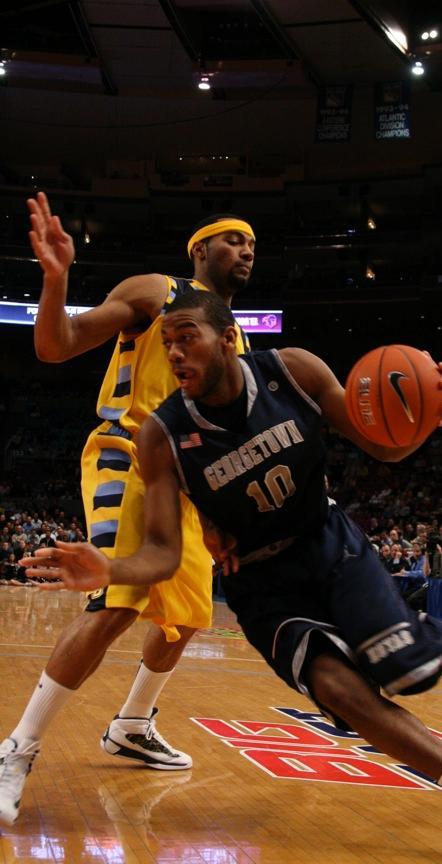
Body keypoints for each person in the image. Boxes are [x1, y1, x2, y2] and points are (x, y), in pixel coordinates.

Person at [23, 291, 442, 864]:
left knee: (411, 672)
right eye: (167, 343)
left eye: (188, 337)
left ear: (228, 338)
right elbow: (161, 552)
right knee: (341, 693)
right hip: (261, 585)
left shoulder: (293, 371)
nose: (176, 353)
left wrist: (422, 420)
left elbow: (383, 446)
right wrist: (108, 567)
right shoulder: (161, 435)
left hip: (328, 546)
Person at [0, 193, 256, 826]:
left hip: (187, 490)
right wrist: (56, 280)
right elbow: (55, 346)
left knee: (190, 616)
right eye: (234, 240)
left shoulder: (235, 337)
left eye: (252, 244)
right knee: (119, 602)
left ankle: (133, 724)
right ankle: (15, 751)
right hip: (127, 457)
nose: (247, 251)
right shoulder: (157, 291)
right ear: (200, 250)